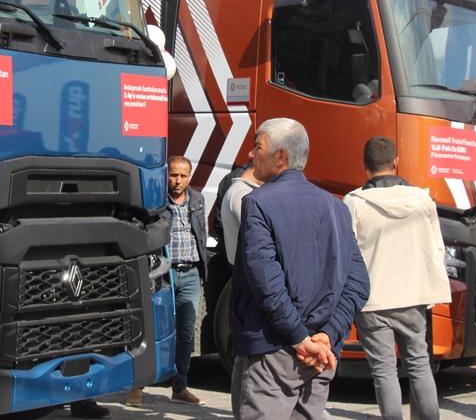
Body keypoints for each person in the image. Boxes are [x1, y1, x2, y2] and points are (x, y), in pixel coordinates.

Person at [231, 118, 370, 420]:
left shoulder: (258, 202)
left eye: (258, 146)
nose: (252, 154)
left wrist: (300, 338)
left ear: (280, 157)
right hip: (320, 352)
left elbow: (265, 282)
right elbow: (358, 283)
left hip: (276, 350)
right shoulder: (336, 207)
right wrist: (328, 335)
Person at [343, 136, 451, 420]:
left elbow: (347, 254)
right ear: (396, 162)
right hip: (414, 296)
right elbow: (437, 248)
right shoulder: (423, 200)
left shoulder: (354, 203)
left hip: (373, 299)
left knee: (384, 371)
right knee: (419, 364)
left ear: (363, 164)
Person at [125, 156, 207, 407]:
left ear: (190, 177)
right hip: (164, 274)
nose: (178, 181)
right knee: (150, 330)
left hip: (190, 273)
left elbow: (200, 233)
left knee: (185, 334)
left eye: (183, 176)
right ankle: (136, 388)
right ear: (166, 175)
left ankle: (179, 387)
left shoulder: (197, 200)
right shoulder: (158, 202)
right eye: (173, 175)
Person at [218, 160, 265, 418]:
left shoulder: (240, 194)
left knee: (242, 354)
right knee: (245, 355)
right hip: (249, 279)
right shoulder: (243, 195)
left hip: (245, 277)